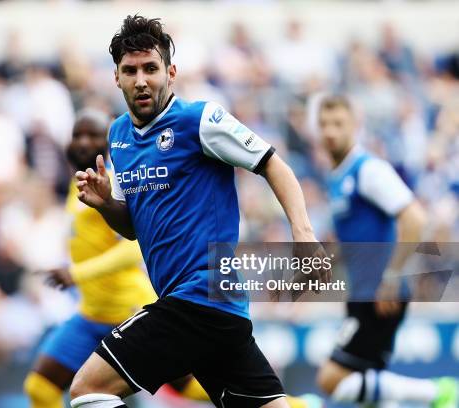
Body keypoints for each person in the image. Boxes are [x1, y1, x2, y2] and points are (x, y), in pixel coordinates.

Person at [70, 15, 329, 408]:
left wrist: (305, 235)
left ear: (170, 73)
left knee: (89, 389)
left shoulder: (200, 120)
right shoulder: (119, 136)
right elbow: (136, 228)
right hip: (209, 309)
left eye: (151, 69)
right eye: (131, 70)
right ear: (116, 78)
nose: (141, 79)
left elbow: (274, 165)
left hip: (201, 298)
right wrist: (107, 204)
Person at [23, 108, 209, 408]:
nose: (83, 142)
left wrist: (76, 273)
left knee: (194, 388)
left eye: (92, 135)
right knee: (39, 389)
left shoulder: (115, 184)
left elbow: (134, 248)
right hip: (91, 314)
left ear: (108, 143)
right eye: (77, 135)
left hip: (128, 311)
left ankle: (294, 405)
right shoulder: (79, 183)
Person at [315, 94, 457, 407]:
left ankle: (440, 392)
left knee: (331, 378)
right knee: (371, 386)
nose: (330, 131)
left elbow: (415, 218)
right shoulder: (337, 177)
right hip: (362, 293)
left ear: (356, 125)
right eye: (324, 124)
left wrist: (391, 277)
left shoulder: (368, 170)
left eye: (338, 124)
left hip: (381, 295)